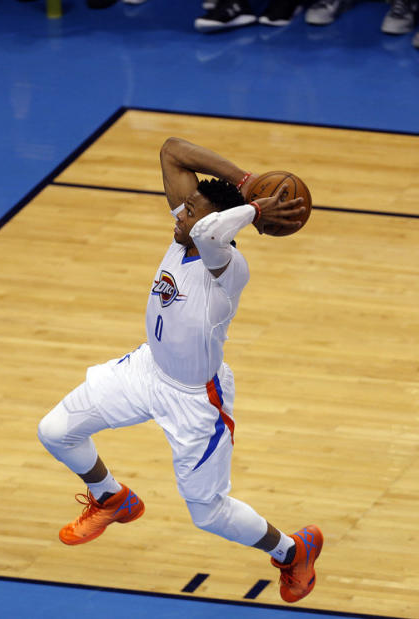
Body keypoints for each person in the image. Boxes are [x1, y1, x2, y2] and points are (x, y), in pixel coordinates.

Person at [37, 137, 323, 604]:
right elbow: (172, 151)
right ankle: (112, 497)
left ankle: (294, 550)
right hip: (146, 371)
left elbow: (212, 234)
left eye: (190, 211)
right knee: (54, 432)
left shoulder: (227, 266)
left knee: (208, 514)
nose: (180, 215)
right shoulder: (186, 232)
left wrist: (250, 209)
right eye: (185, 207)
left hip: (196, 399)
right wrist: (245, 181)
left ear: (215, 223)